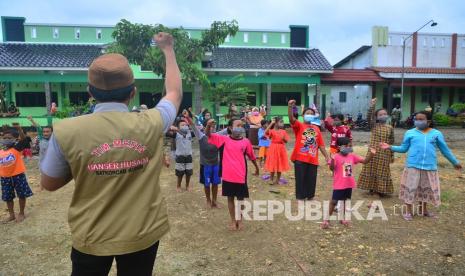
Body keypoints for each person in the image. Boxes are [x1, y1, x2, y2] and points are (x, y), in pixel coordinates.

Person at [40, 32, 182, 275]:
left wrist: (85, 165)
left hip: (92, 234)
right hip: (142, 232)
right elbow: (174, 93)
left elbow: (49, 183)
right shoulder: (152, 121)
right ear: (133, 92)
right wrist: (168, 49)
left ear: (90, 92)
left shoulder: (67, 130)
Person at [380, 111, 462, 221]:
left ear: (428, 121)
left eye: (421, 119)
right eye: (416, 119)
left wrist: (455, 162)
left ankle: (423, 210)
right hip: (413, 165)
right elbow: (404, 148)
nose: (418, 121)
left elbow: (445, 150)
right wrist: (390, 147)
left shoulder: (436, 134)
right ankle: (408, 211)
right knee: (411, 188)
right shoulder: (410, 133)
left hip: (429, 167)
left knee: (425, 189)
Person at [205, 118, 259, 231]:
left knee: (240, 199)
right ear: (230, 128)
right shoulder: (223, 139)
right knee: (230, 199)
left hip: (241, 176)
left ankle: (240, 220)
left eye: (241, 125)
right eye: (237, 125)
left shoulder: (246, 141)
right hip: (228, 175)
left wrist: (257, 168)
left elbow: (251, 156)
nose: (240, 127)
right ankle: (233, 221)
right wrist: (208, 125)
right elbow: (208, 135)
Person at [321, 137, 376, 229]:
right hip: (339, 184)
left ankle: (342, 219)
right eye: (346, 146)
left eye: (350, 146)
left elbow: (365, 161)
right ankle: (326, 220)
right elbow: (332, 168)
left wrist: (372, 153)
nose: (349, 148)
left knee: (345, 201)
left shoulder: (352, 156)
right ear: (340, 147)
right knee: (334, 202)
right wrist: (333, 159)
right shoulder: (336, 157)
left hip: (348, 184)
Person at [288, 100, 330, 201]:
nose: (310, 115)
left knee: (311, 179)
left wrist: (327, 157)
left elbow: (321, 145)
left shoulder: (316, 128)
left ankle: (310, 196)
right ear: (303, 115)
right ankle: (300, 197)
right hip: (300, 158)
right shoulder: (299, 125)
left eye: (312, 114)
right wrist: (290, 107)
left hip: (312, 158)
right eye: (307, 113)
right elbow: (292, 119)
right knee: (300, 179)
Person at [358, 98, 395, 198]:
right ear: (377, 117)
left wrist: (391, 154)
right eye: (380, 114)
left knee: (382, 171)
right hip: (373, 153)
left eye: (384, 114)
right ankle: (372, 189)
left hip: (384, 153)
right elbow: (369, 116)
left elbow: (391, 141)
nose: (383, 116)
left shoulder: (390, 128)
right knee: (371, 169)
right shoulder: (374, 125)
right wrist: (372, 105)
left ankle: (380, 190)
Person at [0, 123, 33, 223]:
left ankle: (21, 213)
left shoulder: (17, 148)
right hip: (5, 177)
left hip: (18, 176)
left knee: (21, 194)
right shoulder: (0, 151)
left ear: (15, 139)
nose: (6, 139)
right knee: (8, 197)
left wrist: (19, 130)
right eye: (4, 137)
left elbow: (23, 140)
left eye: (9, 138)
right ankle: (11, 215)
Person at [187, 116, 221, 208]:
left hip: (215, 164)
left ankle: (214, 200)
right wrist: (187, 117)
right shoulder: (201, 136)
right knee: (207, 184)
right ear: (206, 126)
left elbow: (229, 130)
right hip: (205, 165)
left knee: (215, 183)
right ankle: (208, 200)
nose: (212, 127)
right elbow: (193, 126)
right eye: (210, 125)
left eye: (214, 125)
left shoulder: (218, 135)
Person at [166, 118, 194, 192]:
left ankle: (187, 186)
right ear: (178, 127)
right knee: (180, 173)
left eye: (185, 125)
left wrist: (190, 123)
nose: (184, 126)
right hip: (180, 156)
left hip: (189, 156)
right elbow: (166, 131)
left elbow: (198, 129)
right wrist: (171, 127)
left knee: (189, 173)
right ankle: (178, 186)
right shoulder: (176, 134)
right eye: (182, 125)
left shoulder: (190, 133)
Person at [264, 117, 290, 185]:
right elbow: (266, 132)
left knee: (279, 164)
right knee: (273, 163)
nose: (282, 124)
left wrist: (283, 138)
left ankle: (277, 180)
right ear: (275, 123)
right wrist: (271, 123)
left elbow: (286, 141)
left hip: (281, 149)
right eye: (281, 122)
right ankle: (271, 179)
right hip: (273, 148)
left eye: (282, 122)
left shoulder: (283, 131)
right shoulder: (272, 131)